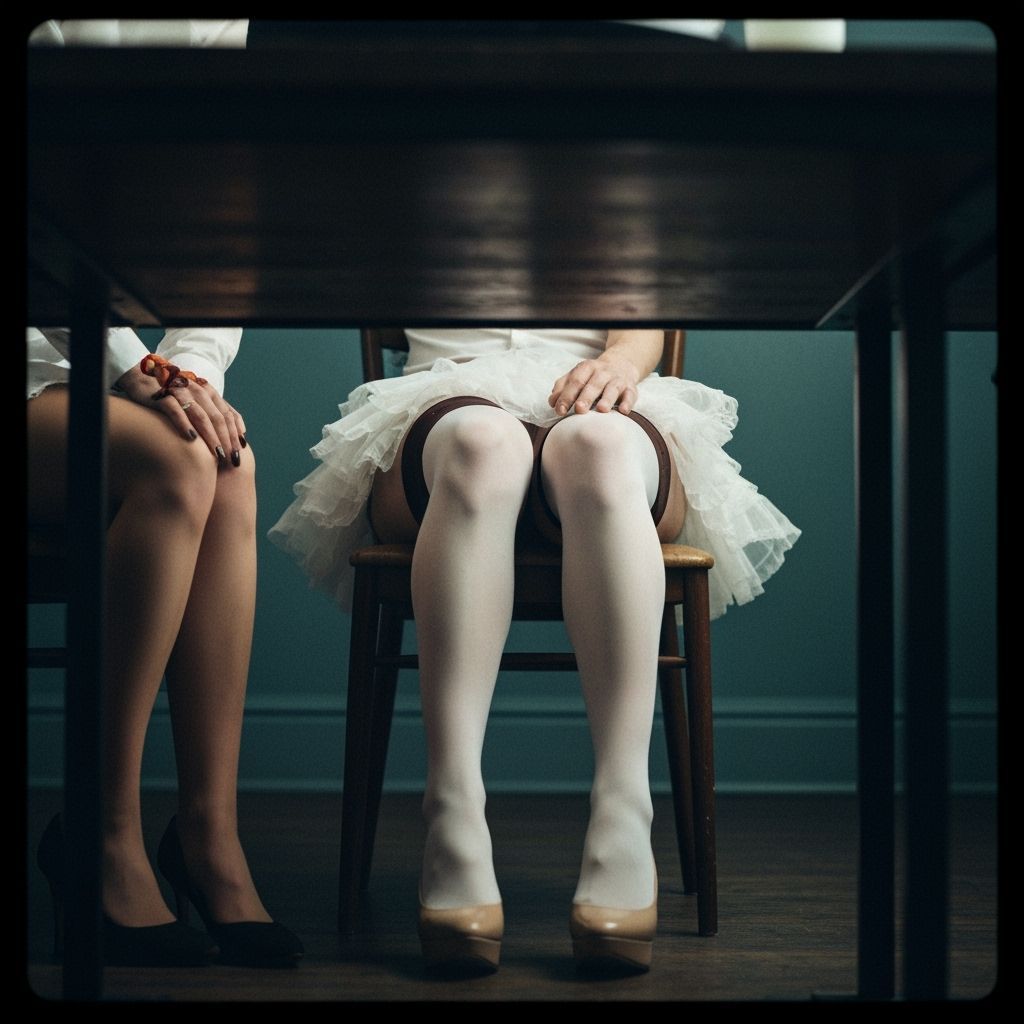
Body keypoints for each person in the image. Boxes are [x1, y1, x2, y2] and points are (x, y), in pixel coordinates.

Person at [270, 327, 799, 973]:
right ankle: (452, 808)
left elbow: (642, 312)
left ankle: (624, 808)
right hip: (449, 399)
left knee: (599, 445)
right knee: (481, 441)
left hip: (597, 394)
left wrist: (618, 363)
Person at [28, 18, 302, 969]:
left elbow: (218, 229)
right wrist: (131, 363)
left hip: (127, 370)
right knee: (177, 461)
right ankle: (102, 833)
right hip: (37, 359)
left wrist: (186, 373)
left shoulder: (221, 24)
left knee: (227, 467)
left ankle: (206, 833)